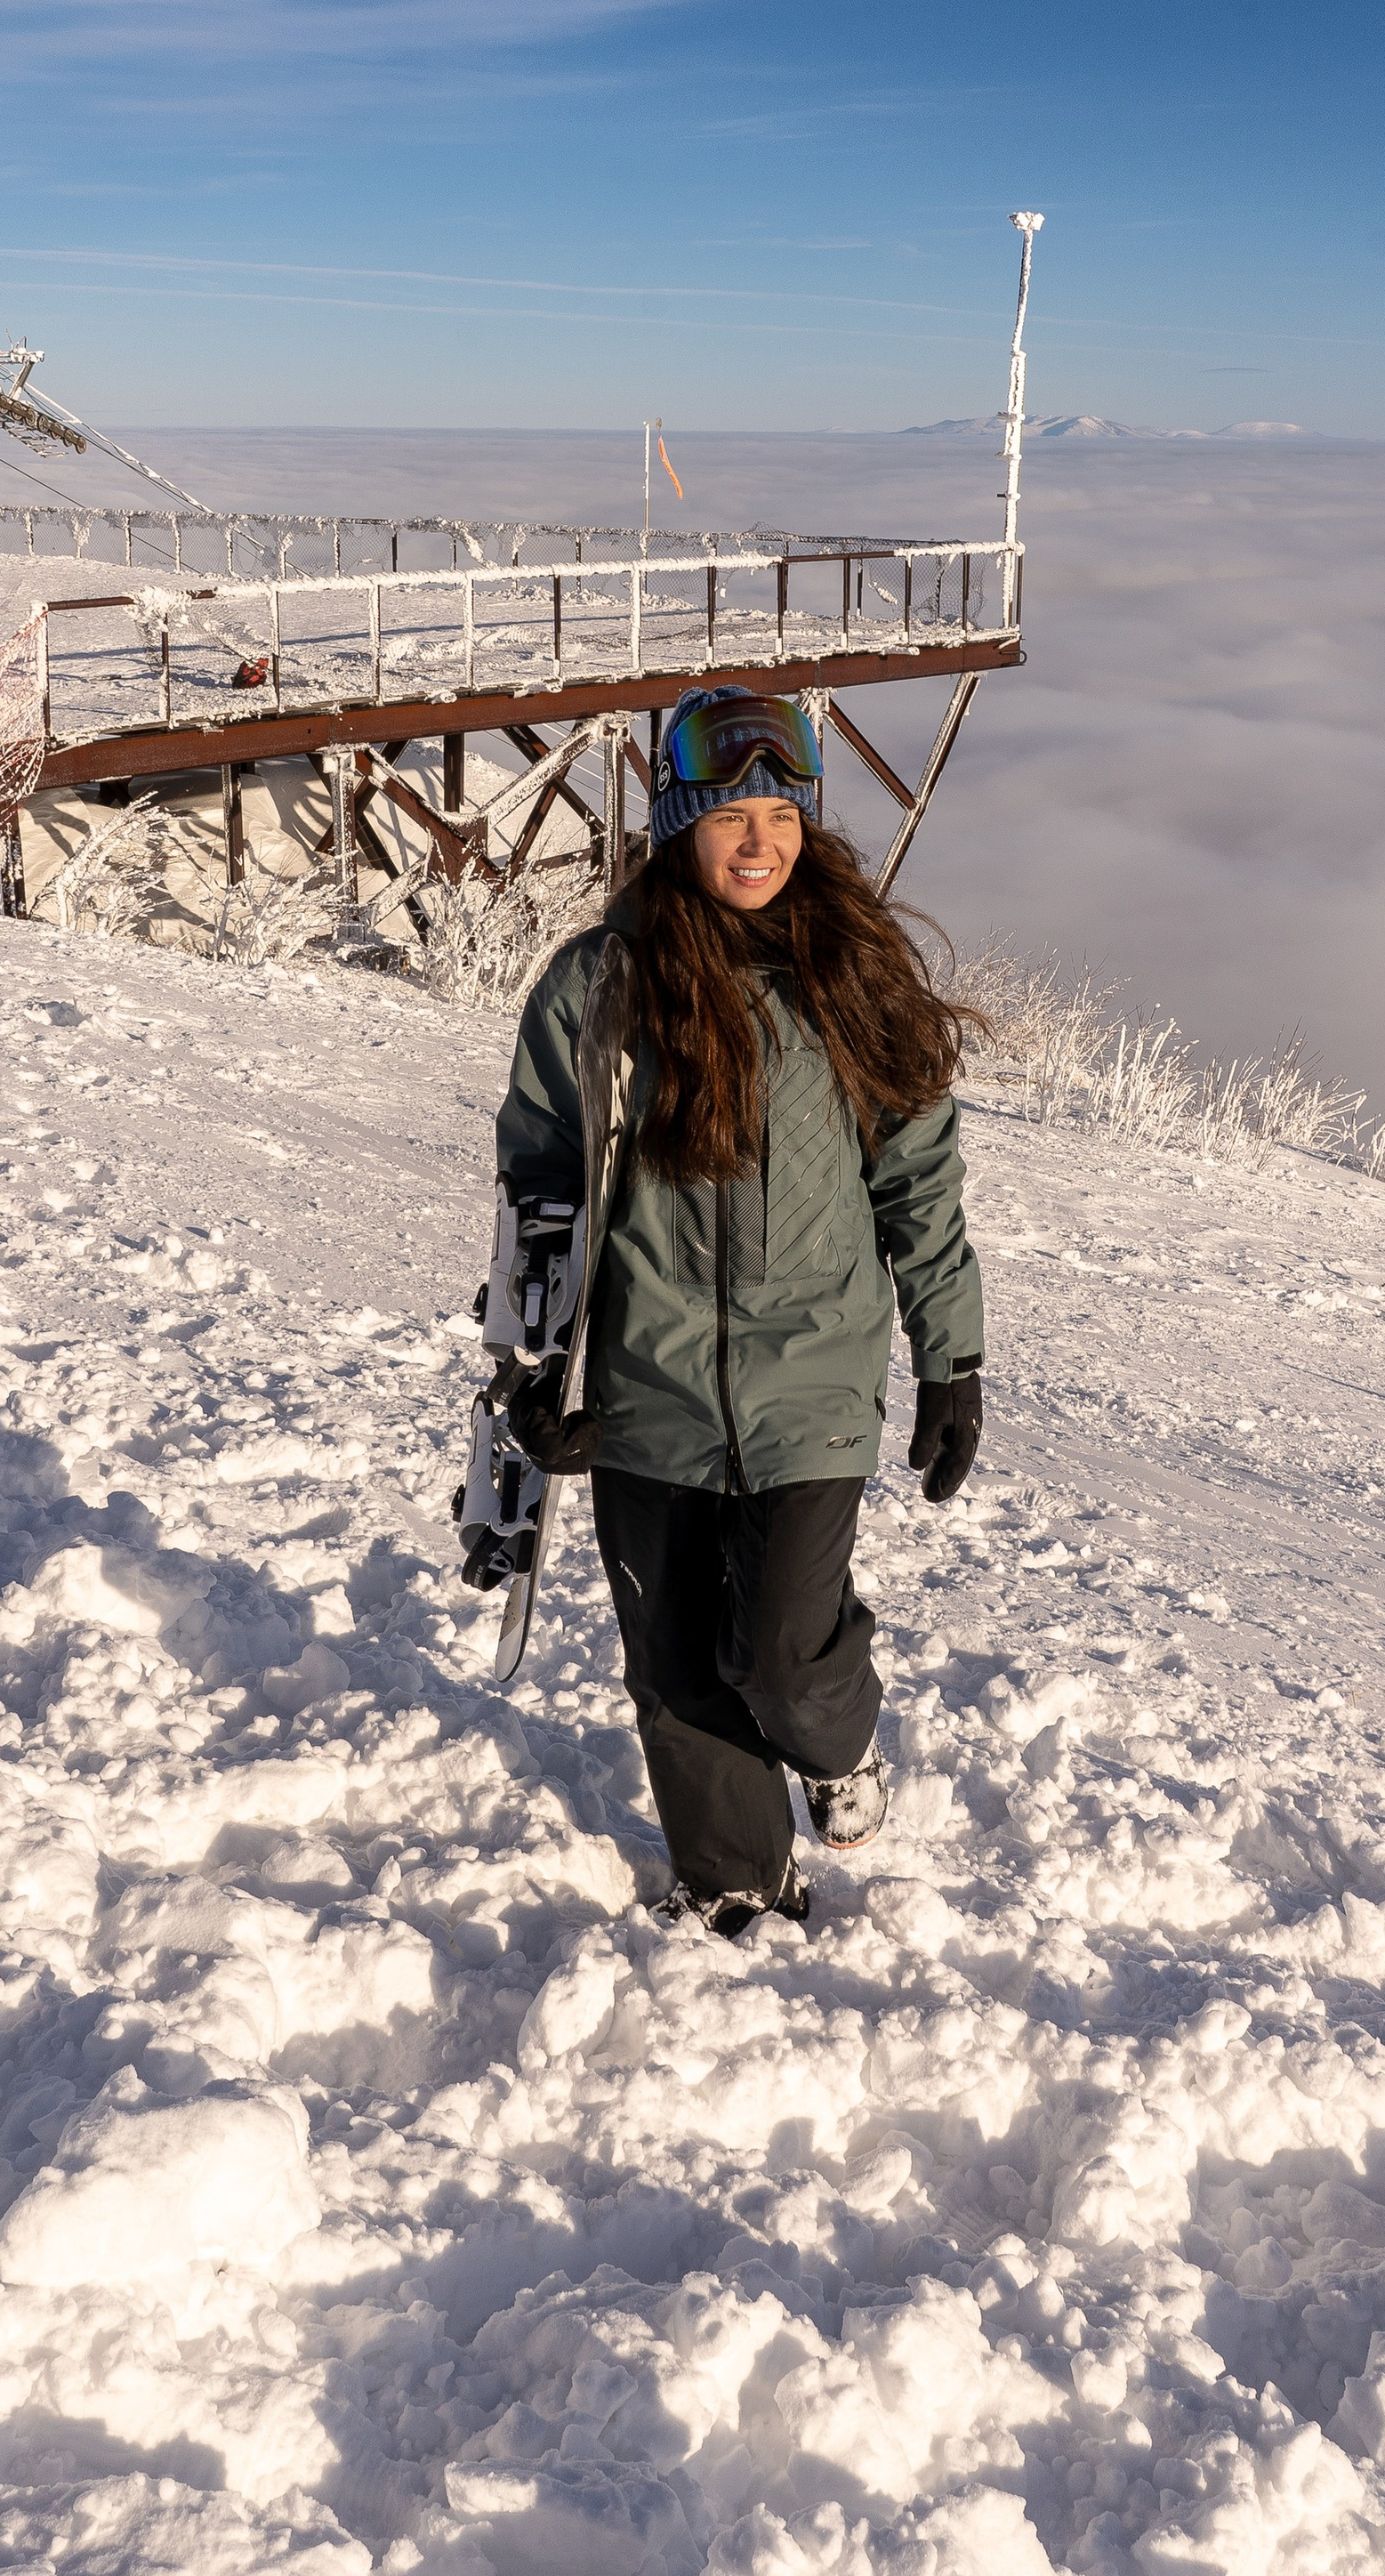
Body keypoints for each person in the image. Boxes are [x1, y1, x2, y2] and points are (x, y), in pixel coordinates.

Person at [487, 686, 986, 1935]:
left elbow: (917, 1179)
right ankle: (738, 1890)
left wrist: (951, 1358)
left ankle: (837, 1745)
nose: (759, 840)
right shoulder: (600, 987)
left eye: (781, 812)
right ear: (679, 824)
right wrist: (537, 1367)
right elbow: (543, 1179)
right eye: (731, 817)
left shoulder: (852, 982)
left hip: (809, 1382)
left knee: (776, 1656)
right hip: (646, 1384)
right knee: (670, 1669)